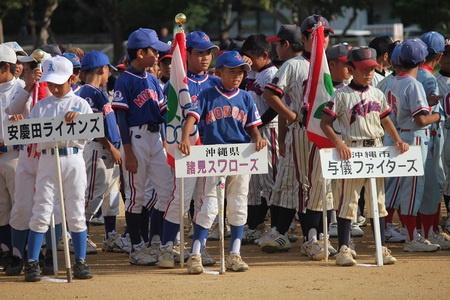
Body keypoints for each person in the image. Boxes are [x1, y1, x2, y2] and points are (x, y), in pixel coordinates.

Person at [179, 50, 266, 274]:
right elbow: (192, 118)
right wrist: (184, 138)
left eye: (241, 72)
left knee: (238, 203)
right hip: (212, 154)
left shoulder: (245, 96)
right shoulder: (207, 94)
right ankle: (196, 254)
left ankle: (235, 253)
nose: (237, 76)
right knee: (208, 205)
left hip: (240, 154)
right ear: (219, 72)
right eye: (232, 71)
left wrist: (258, 139)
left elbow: (252, 127)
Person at [320, 46, 408, 266]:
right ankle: (344, 248)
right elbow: (325, 123)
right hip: (352, 150)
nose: (369, 73)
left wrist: (397, 139)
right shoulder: (341, 95)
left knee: (377, 201)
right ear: (350, 69)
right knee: (348, 201)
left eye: (371, 68)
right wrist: (339, 143)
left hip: (376, 149)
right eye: (363, 69)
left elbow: (385, 119)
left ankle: (381, 248)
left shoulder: (377, 93)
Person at [261, 16, 330, 253]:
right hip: (303, 131)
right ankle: (307, 238)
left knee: (315, 185)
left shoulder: (327, 63)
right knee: (302, 185)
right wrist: (291, 118)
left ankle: (295, 234)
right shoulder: (294, 64)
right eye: (316, 35)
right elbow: (271, 94)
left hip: (326, 133)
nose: (322, 39)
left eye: (326, 34)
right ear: (304, 38)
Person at [24, 55, 94, 281]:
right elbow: (31, 134)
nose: (53, 87)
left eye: (58, 82)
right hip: (46, 159)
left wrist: (79, 119)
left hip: (73, 158)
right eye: (50, 82)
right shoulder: (41, 106)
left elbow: (90, 133)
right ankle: (33, 262)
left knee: (75, 211)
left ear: (72, 79)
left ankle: (80, 261)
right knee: (41, 209)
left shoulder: (81, 103)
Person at [158, 30, 221, 269]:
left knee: (206, 200)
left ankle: (198, 248)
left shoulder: (216, 82)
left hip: (209, 147)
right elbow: (168, 115)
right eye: (199, 53)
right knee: (180, 200)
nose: (205, 57)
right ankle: (167, 248)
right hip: (185, 149)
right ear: (187, 54)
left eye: (208, 53)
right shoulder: (176, 81)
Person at [112, 28, 173, 266]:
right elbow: (121, 119)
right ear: (140, 53)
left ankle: (157, 241)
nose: (157, 54)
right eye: (153, 50)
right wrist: (127, 152)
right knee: (136, 196)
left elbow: (163, 111)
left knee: (168, 191)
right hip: (135, 139)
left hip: (156, 138)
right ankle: (136, 247)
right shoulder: (125, 80)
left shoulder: (153, 80)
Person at [381, 38, 442, 253]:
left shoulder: (392, 81)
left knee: (394, 189)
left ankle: (391, 232)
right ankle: (410, 239)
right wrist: (437, 115)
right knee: (412, 191)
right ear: (423, 60)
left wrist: (428, 104)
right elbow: (421, 120)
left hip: (395, 136)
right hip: (412, 139)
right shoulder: (414, 84)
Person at [5, 50, 58, 276]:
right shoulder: (23, 90)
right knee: (22, 206)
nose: (32, 72)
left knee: (51, 207)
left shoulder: (57, 93)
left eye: (37, 68)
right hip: (28, 154)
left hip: (49, 155)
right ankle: (18, 255)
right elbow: (12, 110)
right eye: (29, 69)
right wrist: (29, 86)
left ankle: (50, 254)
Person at [303, 43, 352, 261]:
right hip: (323, 146)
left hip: (346, 149)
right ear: (330, 64)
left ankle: (333, 238)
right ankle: (312, 239)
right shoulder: (318, 87)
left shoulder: (351, 89)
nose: (350, 68)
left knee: (340, 195)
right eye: (345, 64)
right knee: (318, 194)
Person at [79, 51, 122, 253]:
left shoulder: (96, 92)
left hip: (107, 150)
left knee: (110, 197)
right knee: (92, 196)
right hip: (99, 149)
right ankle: (78, 236)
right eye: (108, 71)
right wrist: (111, 147)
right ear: (103, 69)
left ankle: (110, 236)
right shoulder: (89, 93)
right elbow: (92, 128)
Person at [240, 34, 278, 244]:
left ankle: (280, 227)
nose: (247, 61)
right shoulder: (253, 73)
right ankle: (254, 226)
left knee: (270, 179)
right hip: (254, 131)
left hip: (269, 130)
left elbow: (274, 108)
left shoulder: (272, 73)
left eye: (250, 57)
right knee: (253, 184)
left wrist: (256, 125)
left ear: (264, 55)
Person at [0, 44, 24, 271]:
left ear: (6, 67)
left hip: (16, 153)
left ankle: (20, 252)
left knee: (19, 206)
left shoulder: (22, 89)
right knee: (1, 209)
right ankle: (6, 252)